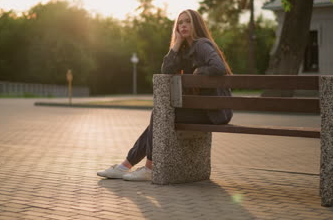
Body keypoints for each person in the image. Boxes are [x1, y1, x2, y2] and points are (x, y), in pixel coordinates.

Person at [97, 9, 233, 181]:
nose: (183, 25)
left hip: (215, 113)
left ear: (196, 24)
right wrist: (176, 43)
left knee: (160, 114)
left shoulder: (202, 45)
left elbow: (218, 67)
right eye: (180, 23)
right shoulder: (185, 49)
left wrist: (200, 70)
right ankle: (127, 166)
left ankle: (143, 167)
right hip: (202, 110)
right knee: (159, 116)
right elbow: (166, 70)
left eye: (188, 22)